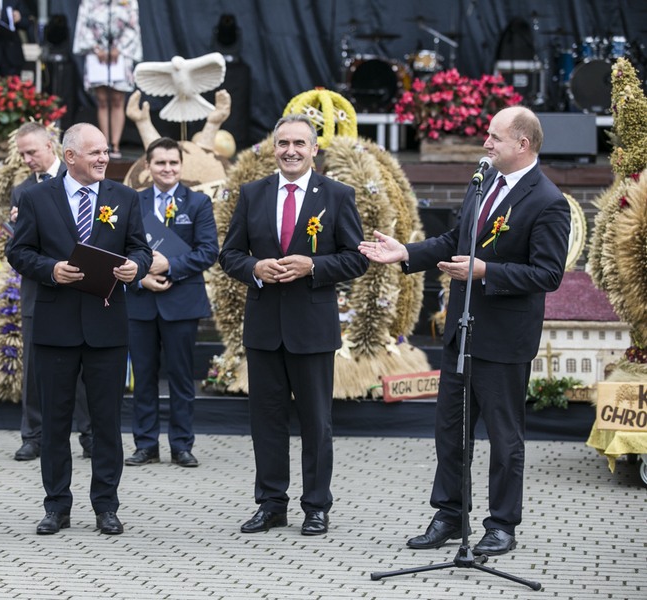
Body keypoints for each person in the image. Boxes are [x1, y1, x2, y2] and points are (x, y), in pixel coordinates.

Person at [358, 106, 571, 556]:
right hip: (462, 332)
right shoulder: (483, 183)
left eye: (494, 137)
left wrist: (486, 271)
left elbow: (548, 274)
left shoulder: (548, 200)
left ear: (522, 144)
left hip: (504, 340)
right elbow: (454, 242)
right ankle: (450, 515)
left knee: (504, 436)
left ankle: (501, 525)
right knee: (450, 432)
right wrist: (406, 255)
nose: (485, 144)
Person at [219, 114, 369, 536]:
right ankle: (271, 504)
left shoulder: (337, 195)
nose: (290, 150)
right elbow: (229, 254)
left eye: (299, 144)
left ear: (314, 149)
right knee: (266, 421)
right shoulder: (253, 193)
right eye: (283, 143)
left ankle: (316, 506)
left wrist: (313, 266)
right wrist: (255, 267)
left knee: (316, 422)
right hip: (264, 327)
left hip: (312, 327)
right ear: (273, 148)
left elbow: (356, 258)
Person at [6, 122, 151, 536]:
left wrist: (134, 266)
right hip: (56, 326)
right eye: (96, 153)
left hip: (106, 326)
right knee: (54, 422)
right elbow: (18, 252)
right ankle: (57, 506)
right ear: (70, 157)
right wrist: (50, 270)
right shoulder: (35, 198)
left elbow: (139, 246)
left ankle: (106, 506)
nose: (105, 159)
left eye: (106, 152)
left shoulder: (124, 197)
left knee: (106, 421)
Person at [124, 137, 219, 468]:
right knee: (144, 377)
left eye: (173, 163)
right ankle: (145, 444)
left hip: (181, 303)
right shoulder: (131, 202)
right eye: (160, 163)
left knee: (181, 378)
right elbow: (119, 249)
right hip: (140, 302)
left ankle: (181, 445)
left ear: (181, 166)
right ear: (147, 166)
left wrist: (169, 267)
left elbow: (209, 251)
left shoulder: (198, 203)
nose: (167, 168)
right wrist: (141, 277)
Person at [9, 122, 93, 462]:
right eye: (23, 154)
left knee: (87, 368)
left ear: (52, 146)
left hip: (86, 289)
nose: (27, 159)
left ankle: (90, 435)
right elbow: (19, 248)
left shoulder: (83, 180)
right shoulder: (23, 191)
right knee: (35, 366)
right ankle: (34, 436)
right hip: (41, 290)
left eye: (32, 151)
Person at [72, 0, 142, 158]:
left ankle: (116, 144)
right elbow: (84, 25)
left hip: (120, 56)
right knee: (102, 100)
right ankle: (105, 144)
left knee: (118, 98)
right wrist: (97, 49)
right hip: (97, 56)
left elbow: (133, 26)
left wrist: (119, 48)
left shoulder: (128, 2)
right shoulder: (89, 2)